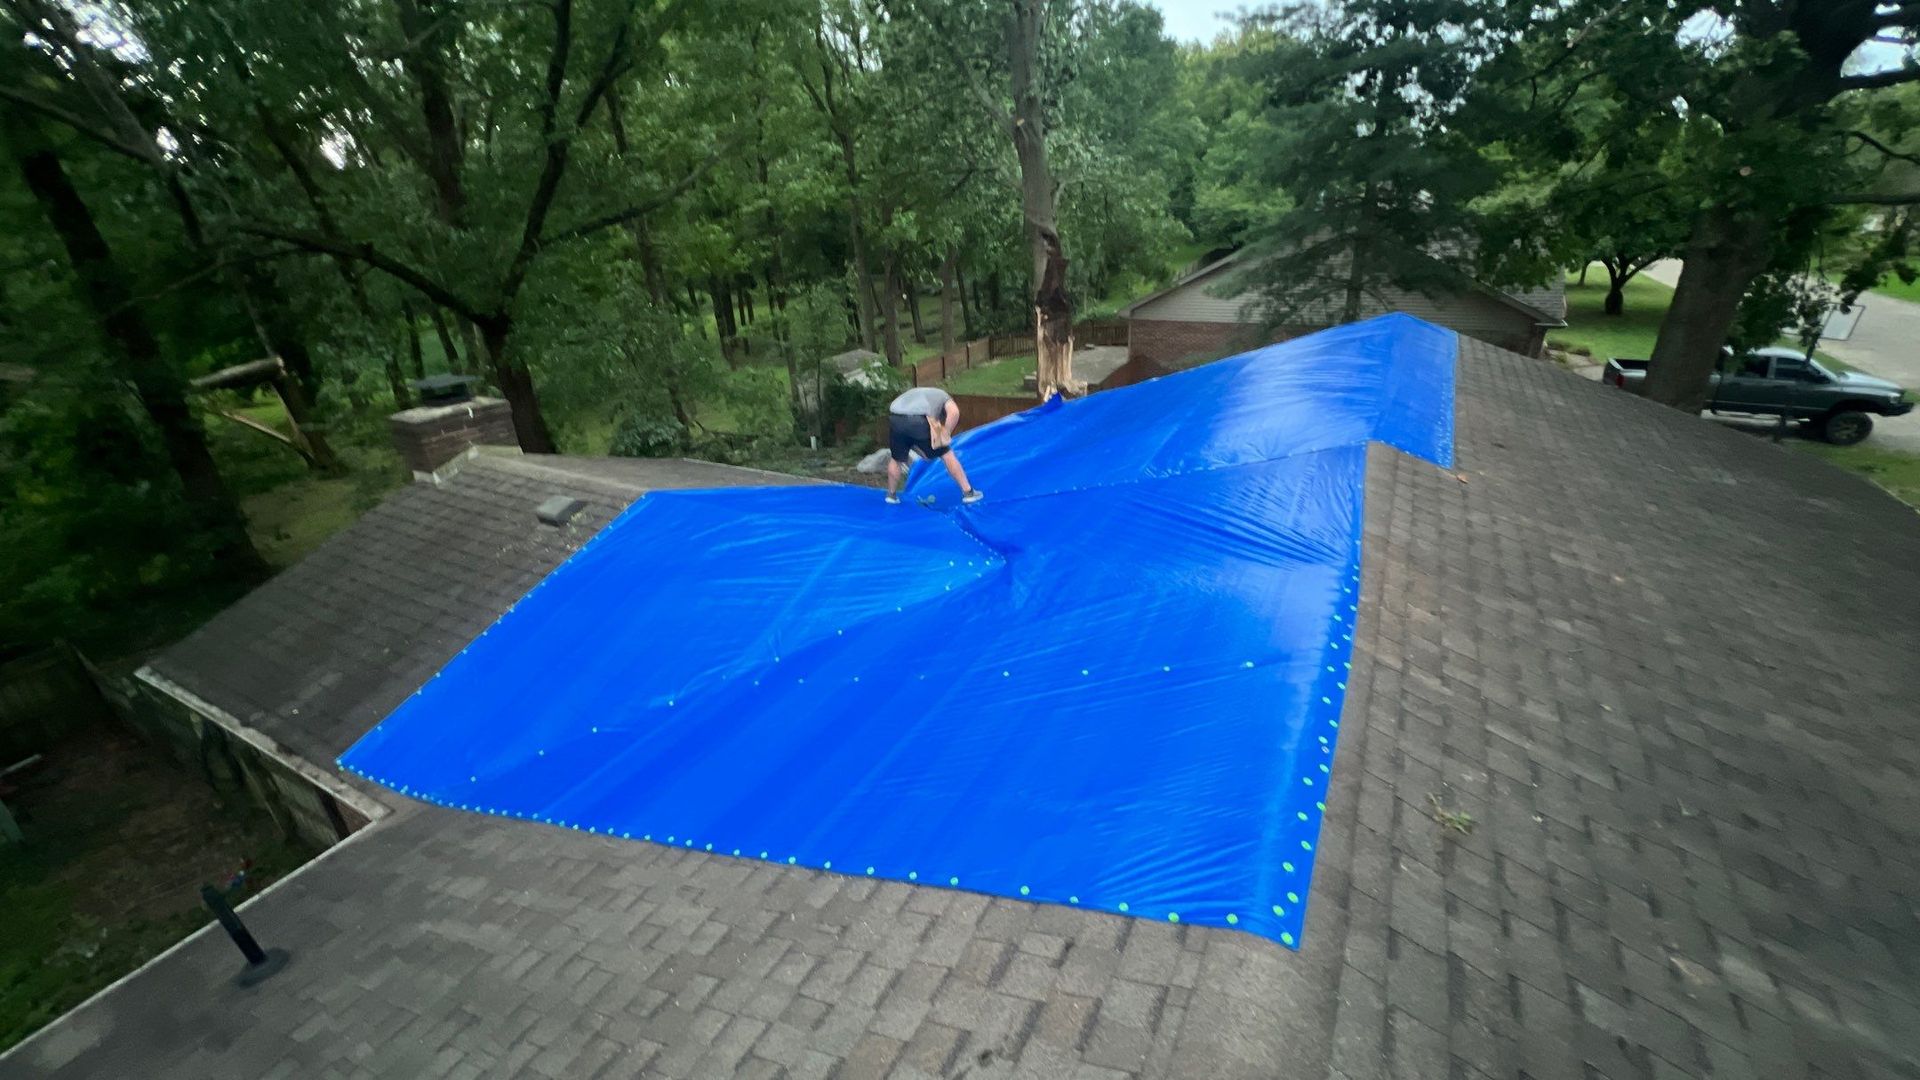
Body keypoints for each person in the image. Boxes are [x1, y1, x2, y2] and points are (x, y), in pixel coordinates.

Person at [885, 385, 983, 505]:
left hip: (895, 419)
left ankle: (891, 495)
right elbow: (954, 412)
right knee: (947, 454)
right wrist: (946, 433)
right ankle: (969, 493)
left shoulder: (920, 394)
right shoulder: (944, 397)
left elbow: (921, 449)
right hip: (918, 419)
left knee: (896, 459)